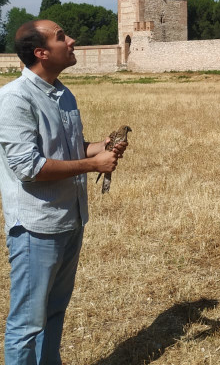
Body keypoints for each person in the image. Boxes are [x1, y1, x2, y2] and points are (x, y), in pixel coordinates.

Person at [0, 20, 128, 364]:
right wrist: (93, 165)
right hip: (35, 227)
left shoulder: (64, 93)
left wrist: (100, 146)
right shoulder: (14, 99)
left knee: (54, 314)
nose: (72, 40)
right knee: (27, 324)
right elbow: (29, 168)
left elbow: (68, 150)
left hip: (70, 219)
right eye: (61, 37)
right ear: (41, 52)